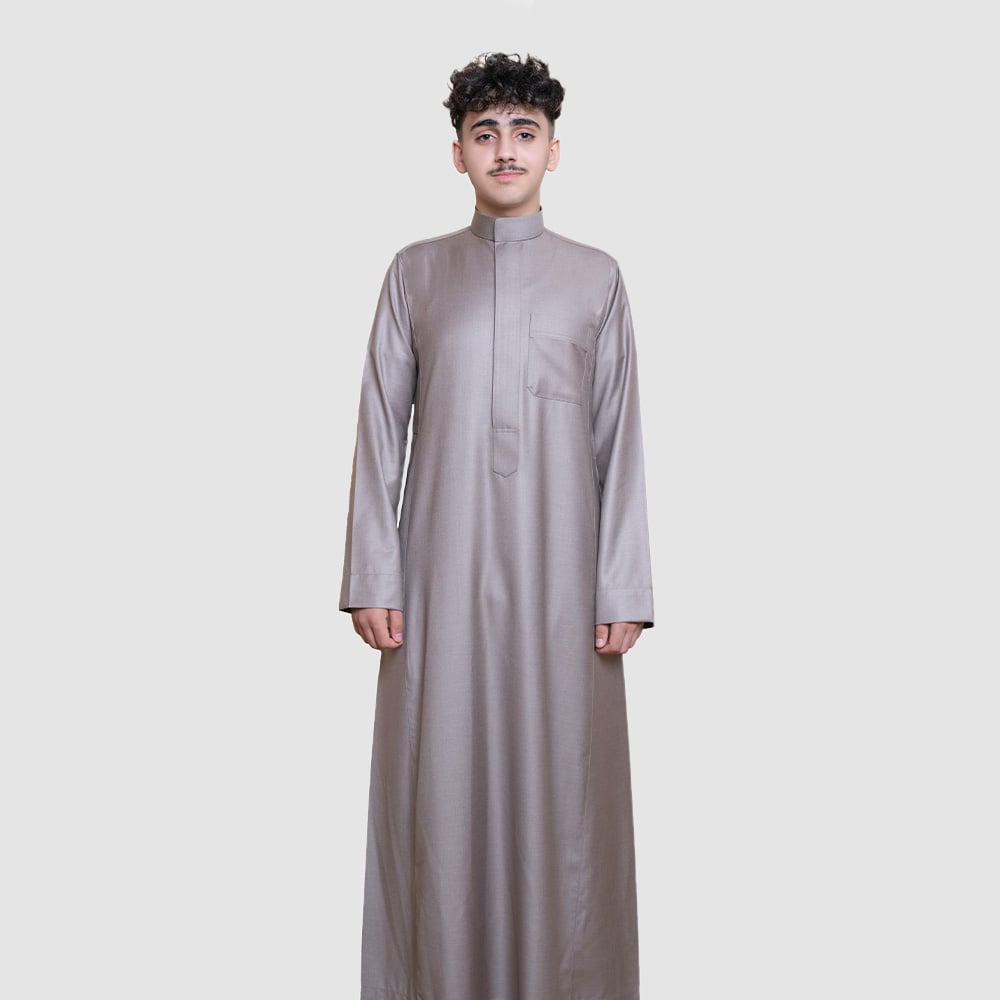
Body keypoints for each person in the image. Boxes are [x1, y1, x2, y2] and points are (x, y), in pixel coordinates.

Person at [340, 51, 655, 1000]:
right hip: (436, 581)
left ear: (555, 151)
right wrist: (373, 574)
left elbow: (619, 439)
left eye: (525, 132)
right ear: (458, 154)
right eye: (485, 134)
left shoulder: (596, 279)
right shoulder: (416, 274)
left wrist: (623, 586)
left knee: (566, 793)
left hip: (566, 589)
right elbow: (379, 429)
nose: (505, 149)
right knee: (437, 788)